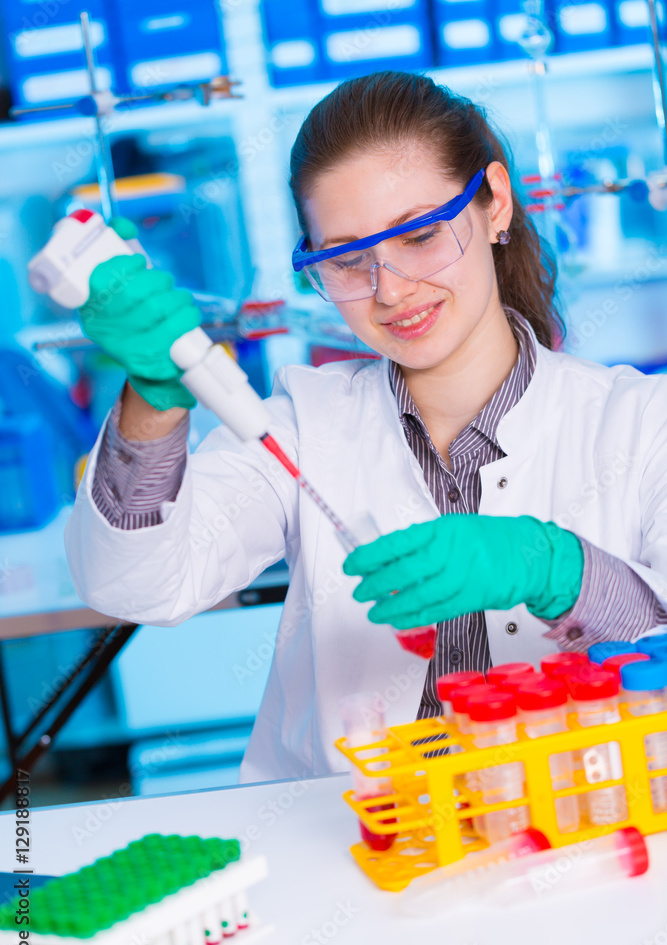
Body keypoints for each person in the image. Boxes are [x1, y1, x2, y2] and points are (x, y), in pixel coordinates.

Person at [66, 71, 667, 782]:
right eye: (348, 259)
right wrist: (155, 398)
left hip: (582, 845)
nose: (390, 289)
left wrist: (559, 571)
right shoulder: (299, 424)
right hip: (355, 856)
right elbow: (136, 587)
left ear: (495, 203)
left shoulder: (640, 425)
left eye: (418, 235)